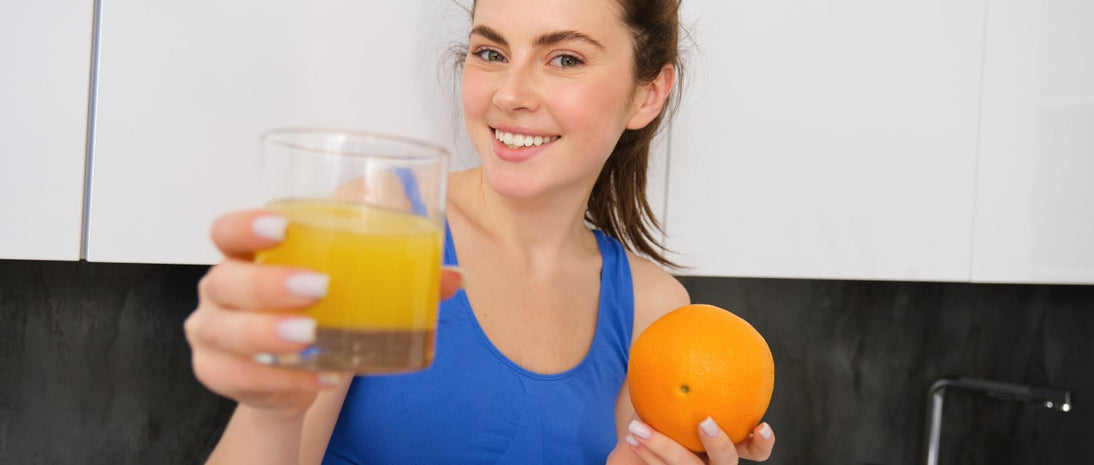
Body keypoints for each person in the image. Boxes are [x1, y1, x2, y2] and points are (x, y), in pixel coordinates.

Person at [183, 0, 776, 463]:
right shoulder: (385, 228)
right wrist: (269, 412)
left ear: (647, 94)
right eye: (490, 52)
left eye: (564, 58)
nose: (510, 94)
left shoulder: (653, 307)